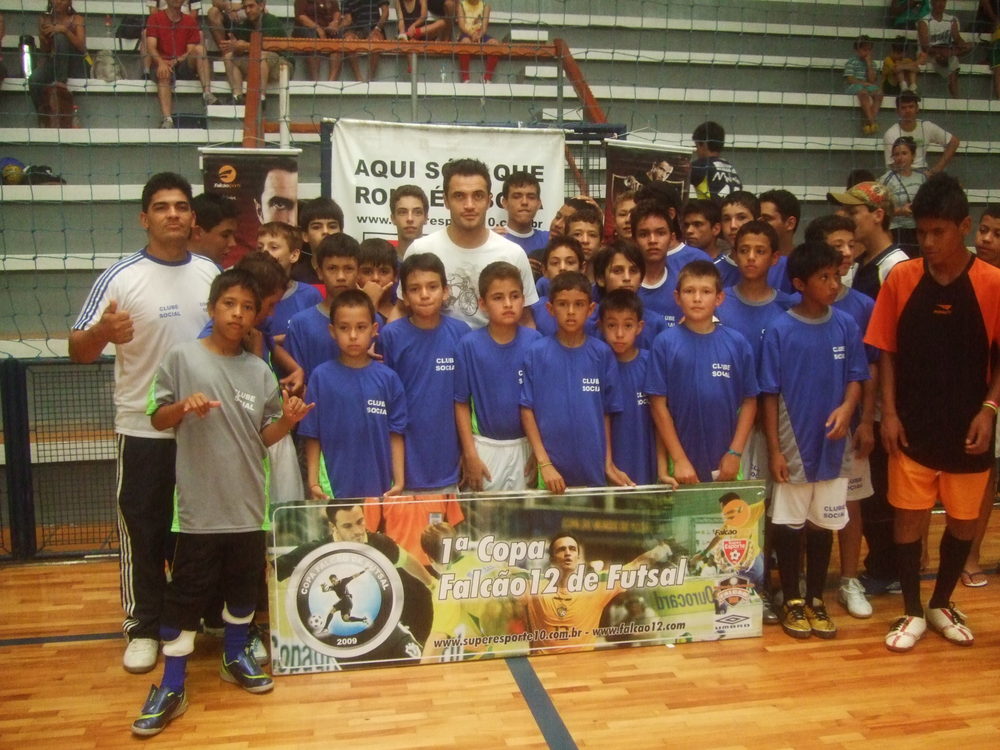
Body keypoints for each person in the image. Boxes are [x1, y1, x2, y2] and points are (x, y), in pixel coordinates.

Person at [129, 268, 313, 737]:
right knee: (185, 599)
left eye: (247, 307)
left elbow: (264, 435)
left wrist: (288, 422)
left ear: (255, 317)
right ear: (213, 308)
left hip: (248, 508)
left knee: (242, 592)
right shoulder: (181, 357)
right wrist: (181, 408)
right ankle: (171, 684)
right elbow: (156, 418)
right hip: (196, 512)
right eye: (229, 303)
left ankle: (235, 657)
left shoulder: (258, 370)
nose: (237, 313)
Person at [69, 173, 219, 674]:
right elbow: (77, 352)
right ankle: (142, 627)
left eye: (181, 206)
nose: (173, 214)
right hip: (143, 430)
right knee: (144, 531)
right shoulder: (119, 277)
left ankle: (198, 619)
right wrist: (102, 333)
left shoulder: (210, 273)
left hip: (203, 429)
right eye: (161, 207)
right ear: (144, 218)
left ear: (193, 217)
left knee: (202, 533)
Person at [866, 174, 1000, 652]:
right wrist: (891, 414)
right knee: (909, 520)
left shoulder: (992, 283)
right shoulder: (902, 279)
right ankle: (909, 609)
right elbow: (885, 350)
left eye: (937, 232)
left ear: (963, 226)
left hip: (969, 429)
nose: (926, 241)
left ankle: (941, 602)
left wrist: (989, 409)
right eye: (921, 232)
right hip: (912, 428)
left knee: (963, 522)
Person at [760, 241, 869, 640]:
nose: (833, 283)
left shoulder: (846, 325)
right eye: (824, 277)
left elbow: (857, 377)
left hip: (833, 446)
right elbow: (769, 393)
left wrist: (847, 408)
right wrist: (775, 449)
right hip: (793, 444)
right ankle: (791, 598)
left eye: (836, 275)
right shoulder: (779, 329)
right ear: (800, 283)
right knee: (790, 524)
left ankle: (816, 600)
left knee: (824, 524)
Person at [804, 214, 880, 620]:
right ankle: (803, 583)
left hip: (847, 428)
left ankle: (849, 579)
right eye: (838, 245)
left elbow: (868, 370)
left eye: (851, 244)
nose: (847, 252)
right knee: (802, 508)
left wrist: (866, 420)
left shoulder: (862, 307)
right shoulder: (794, 300)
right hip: (800, 430)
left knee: (851, 504)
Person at [645, 261, 758, 485]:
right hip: (680, 460)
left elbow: (749, 401)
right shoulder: (665, 343)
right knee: (682, 520)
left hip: (726, 460)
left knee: (726, 518)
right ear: (677, 297)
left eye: (705, 292)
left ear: (719, 298)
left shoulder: (737, 343)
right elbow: (658, 405)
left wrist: (735, 454)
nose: (697, 298)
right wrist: (678, 459)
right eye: (689, 291)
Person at [520, 271, 627, 493]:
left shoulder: (602, 354)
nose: (570, 312)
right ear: (550, 309)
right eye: (562, 304)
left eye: (578, 304)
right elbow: (527, 410)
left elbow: (606, 413)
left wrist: (606, 462)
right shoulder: (536, 353)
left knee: (588, 524)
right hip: (551, 470)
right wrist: (544, 462)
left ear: (590, 309)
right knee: (552, 527)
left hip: (592, 466)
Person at [400, 158, 537, 329]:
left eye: (478, 196)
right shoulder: (420, 250)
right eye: (459, 196)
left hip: (490, 353)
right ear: (445, 200)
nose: (469, 205)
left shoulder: (513, 254)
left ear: (489, 200)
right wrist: (378, 344)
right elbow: (401, 310)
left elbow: (525, 319)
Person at [302, 289, 406, 499]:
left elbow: (396, 433)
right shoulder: (320, 377)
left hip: (381, 486)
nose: (352, 335)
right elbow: (312, 435)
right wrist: (313, 482)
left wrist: (400, 480)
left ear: (374, 329)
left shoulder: (388, 378)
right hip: (332, 488)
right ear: (332, 331)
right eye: (344, 328)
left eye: (361, 327)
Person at [380, 253, 471, 493]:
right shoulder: (391, 336)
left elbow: (465, 401)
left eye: (432, 287)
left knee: (445, 530)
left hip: (448, 456)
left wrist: (467, 451)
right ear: (404, 296)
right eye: (415, 288)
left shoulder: (461, 333)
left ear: (446, 291)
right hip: (406, 455)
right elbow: (386, 401)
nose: (424, 294)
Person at [454, 261, 541, 491]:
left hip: (526, 446)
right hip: (485, 448)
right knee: (484, 522)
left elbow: (542, 404)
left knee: (526, 521)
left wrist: (539, 452)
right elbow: (461, 403)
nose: (508, 304)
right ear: (482, 303)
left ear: (524, 298)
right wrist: (470, 453)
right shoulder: (469, 345)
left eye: (514, 296)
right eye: (498, 298)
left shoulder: (536, 343)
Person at [962, 205, 1000, 586]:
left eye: (997, 234)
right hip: (974, 393)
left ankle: (973, 555)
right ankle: (930, 554)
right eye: (984, 230)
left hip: (993, 398)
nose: (986, 239)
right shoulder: (968, 277)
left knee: (989, 479)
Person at [600, 289, 663, 486]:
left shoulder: (651, 363)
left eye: (627, 325)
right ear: (601, 326)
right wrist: (607, 463)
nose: (619, 334)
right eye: (612, 325)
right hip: (608, 468)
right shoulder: (596, 364)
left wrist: (662, 469)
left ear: (639, 327)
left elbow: (661, 419)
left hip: (647, 465)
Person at [286, 232, 363, 380]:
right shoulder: (300, 324)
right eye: (332, 268)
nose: (341, 277)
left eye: (348, 268)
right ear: (320, 272)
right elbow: (295, 380)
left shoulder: (372, 320)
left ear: (358, 272)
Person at [631, 199, 710, 328]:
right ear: (634, 240)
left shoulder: (686, 283)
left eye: (660, 233)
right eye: (644, 234)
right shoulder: (624, 283)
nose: (652, 240)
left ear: (671, 238)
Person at [826, 182, 910, 299]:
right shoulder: (859, 262)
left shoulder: (896, 266)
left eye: (852, 212)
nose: (845, 219)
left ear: (878, 215)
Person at [146, 0, 217, 129]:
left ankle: (207, 93)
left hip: (181, 63)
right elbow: (151, 47)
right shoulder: (155, 18)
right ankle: (167, 119)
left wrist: (177, 60)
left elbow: (190, 50)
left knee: (200, 50)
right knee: (163, 73)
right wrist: (161, 63)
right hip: (162, 61)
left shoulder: (190, 21)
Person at [591, 240, 665, 350]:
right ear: (601, 278)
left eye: (633, 271)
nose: (627, 278)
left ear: (641, 278)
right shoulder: (588, 323)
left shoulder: (655, 324)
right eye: (617, 271)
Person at [257, 220, 322, 343]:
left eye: (274, 247)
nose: (265, 252)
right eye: (260, 247)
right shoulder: (249, 292)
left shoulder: (309, 295)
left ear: (294, 255)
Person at [28, 0, 87, 125]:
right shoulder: (45, 19)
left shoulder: (77, 19)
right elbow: (45, 50)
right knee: (34, 79)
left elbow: (82, 47)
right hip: (55, 61)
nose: (59, 2)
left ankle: (60, 84)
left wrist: (64, 30)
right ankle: (44, 117)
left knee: (60, 36)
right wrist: (44, 37)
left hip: (75, 63)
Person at [220, 0, 289, 106]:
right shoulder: (246, 24)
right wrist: (235, 47)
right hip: (258, 64)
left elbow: (268, 46)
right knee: (229, 57)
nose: (247, 10)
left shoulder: (270, 20)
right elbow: (241, 47)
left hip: (282, 63)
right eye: (245, 7)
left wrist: (244, 46)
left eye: (251, 6)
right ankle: (237, 96)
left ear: (261, 6)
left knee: (261, 56)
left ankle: (261, 98)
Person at [882, 92, 959, 174]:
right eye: (903, 108)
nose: (908, 111)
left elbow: (954, 142)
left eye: (911, 107)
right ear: (897, 111)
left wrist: (936, 169)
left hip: (923, 172)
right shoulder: (890, 134)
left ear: (917, 108)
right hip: (900, 173)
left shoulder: (927, 126)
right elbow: (892, 165)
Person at [878, 137, 927, 257]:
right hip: (896, 231)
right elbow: (878, 209)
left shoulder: (922, 177)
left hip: (918, 229)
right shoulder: (886, 179)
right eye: (896, 154)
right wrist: (900, 211)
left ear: (913, 155)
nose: (900, 158)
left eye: (904, 153)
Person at [530, 236, 585, 335]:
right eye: (555, 263)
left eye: (570, 262)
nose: (562, 268)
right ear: (544, 270)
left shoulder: (593, 311)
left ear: (582, 268)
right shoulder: (534, 310)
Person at [918, 0, 972, 98]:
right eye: (938, 1)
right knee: (949, 58)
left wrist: (964, 45)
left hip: (947, 51)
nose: (941, 4)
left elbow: (957, 39)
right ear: (932, 3)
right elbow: (925, 47)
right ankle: (955, 94)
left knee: (957, 53)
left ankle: (953, 87)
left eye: (943, 1)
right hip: (929, 54)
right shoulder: (924, 22)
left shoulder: (951, 19)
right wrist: (942, 52)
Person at [334, 0, 389, 81]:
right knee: (348, 41)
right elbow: (348, 19)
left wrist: (377, 29)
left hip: (374, 27)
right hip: (355, 30)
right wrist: (336, 27)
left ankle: (370, 79)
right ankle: (358, 78)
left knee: (375, 40)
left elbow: (385, 12)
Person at [715, 190, 761, 287]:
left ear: (758, 221)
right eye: (727, 219)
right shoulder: (712, 271)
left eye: (741, 217)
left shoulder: (781, 267)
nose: (733, 226)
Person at [294, 195, 343, 284]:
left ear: (341, 232)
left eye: (332, 226)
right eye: (316, 227)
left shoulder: (355, 274)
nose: (326, 231)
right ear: (305, 235)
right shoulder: (295, 278)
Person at [498, 171, 549, 255]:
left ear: (538, 204)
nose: (524, 202)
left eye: (531, 197)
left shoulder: (549, 240)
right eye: (517, 197)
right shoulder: (493, 240)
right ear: (505, 203)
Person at [757, 189, 798, 293]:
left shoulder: (807, 264)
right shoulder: (751, 262)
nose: (760, 225)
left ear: (790, 223)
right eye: (758, 219)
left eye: (766, 219)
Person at [690, 121, 742, 199]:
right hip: (733, 209)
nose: (696, 151)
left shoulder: (700, 166)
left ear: (704, 144)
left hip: (710, 210)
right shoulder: (731, 169)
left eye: (696, 146)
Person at [292, 0, 342, 81]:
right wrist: (318, 29)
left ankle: (332, 81)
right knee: (312, 38)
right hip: (306, 28)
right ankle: (315, 81)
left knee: (338, 37)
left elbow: (336, 11)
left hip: (326, 28)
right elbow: (301, 17)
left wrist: (334, 22)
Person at [844, 35, 883, 135]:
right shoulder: (851, 62)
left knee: (879, 93)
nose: (867, 52)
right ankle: (872, 121)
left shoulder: (872, 64)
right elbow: (850, 79)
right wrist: (864, 83)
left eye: (869, 50)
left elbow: (872, 80)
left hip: (868, 85)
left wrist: (869, 65)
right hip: (856, 86)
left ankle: (868, 121)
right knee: (863, 93)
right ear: (857, 50)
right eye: (864, 50)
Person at [189, 193, 239, 265]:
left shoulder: (217, 271)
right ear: (198, 232)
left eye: (233, 235)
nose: (233, 244)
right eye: (225, 235)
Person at [357, 237, 399, 323]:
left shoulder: (404, 315)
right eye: (367, 272)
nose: (375, 278)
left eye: (384, 272)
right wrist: (371, 303)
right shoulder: (344, 312)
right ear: (356, 275)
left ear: (395, 276)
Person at [456, 0, 499, 82]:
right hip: (466, 33)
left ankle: (487, 77)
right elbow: (461, 26)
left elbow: (484, 27)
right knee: (465, 42)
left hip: (480, 35)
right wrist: (471, 34)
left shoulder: (485, 6)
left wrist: (479, 35)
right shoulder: (461, 5)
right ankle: (465, 77)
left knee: (494, 44)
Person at [566, 205, 604, 282]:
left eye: (592, 235)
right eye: (577, 234)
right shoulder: (549, 283)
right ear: (566, 239)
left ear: (601, 242)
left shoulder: (608, 285)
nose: (585, 241)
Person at [390, 184, 429, 258]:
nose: (410, 219)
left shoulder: (437, 261)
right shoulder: (386, 263)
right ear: (393, 218)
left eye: (417, 212)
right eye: (402, 212)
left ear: (426, 218)